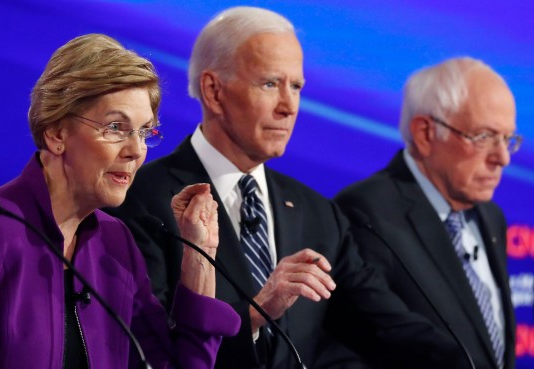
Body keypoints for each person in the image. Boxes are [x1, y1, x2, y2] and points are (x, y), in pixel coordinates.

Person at [106, 7, 473, 369]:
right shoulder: (142, 202)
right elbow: (146, 350)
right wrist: (255, 312)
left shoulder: (319, 213)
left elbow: (385, 327)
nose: (289, 106)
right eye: (270, 83)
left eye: (295, 86)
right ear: (214, 91)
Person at [0, 33, 240, 369]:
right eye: (116, 127)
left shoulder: (116, 244)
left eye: (145, 131)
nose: (136, 151)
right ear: (57, 133)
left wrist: (200, 254)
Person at [334, 57, 518, 369]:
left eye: (507, 139)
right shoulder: (366, 212)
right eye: (484, 137)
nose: (502, 158)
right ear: (426, 133)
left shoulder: (490, 215)